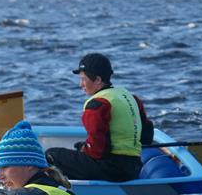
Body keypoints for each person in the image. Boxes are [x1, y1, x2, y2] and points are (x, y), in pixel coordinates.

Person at [44, 53, 154, 183]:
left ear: (97, 80)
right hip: (134, 167)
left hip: (113, 170)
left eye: (83, 79)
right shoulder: (130, 97)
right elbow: (147, 136)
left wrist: (85, 149)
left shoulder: (98, 103)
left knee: (51, 154)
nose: (81, 85)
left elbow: (98, 151)